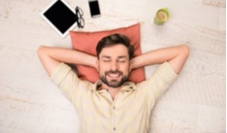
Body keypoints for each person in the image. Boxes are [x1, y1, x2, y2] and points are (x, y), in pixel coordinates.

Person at [37, 33, 189, 133]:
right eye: (107, 60)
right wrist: (94, 62)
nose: (114, 67)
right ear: (98, 64)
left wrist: (131, 63)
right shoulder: (81, 94)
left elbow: (182, 52)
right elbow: (44, 53)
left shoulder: (145, 94)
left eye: (121, 60)